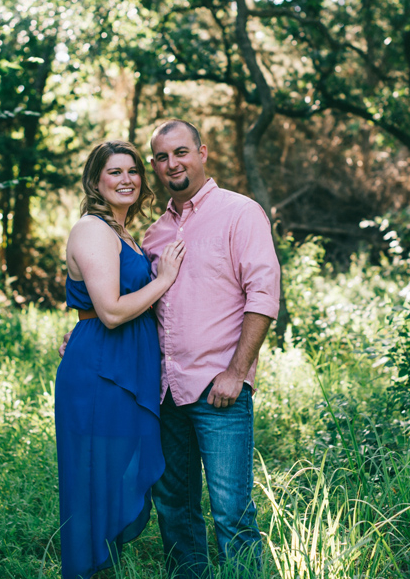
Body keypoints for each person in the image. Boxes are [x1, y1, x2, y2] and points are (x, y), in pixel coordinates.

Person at [60, 120, 280, 579]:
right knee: (175, 511)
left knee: (232, 513)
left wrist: (237, 371)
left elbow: (263, 296)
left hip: (218, 387)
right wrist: (86, 332)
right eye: (160, 157)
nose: (170, 164)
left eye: (180, 152)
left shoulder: (239, 213)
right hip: (162, 389)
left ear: (202, 153)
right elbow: (127, 302)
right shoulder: (154, 234)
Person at [57, 140, 186, 579]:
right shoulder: (93, 229)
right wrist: (164, 279)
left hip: (121, 365)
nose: (126, 179)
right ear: (96, 181)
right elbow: (110, 312)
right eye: (114, 172)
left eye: (132, 171)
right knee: (97, 483)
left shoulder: (123, 231)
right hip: (102, 372)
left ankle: (104, 568)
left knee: (111, 482)